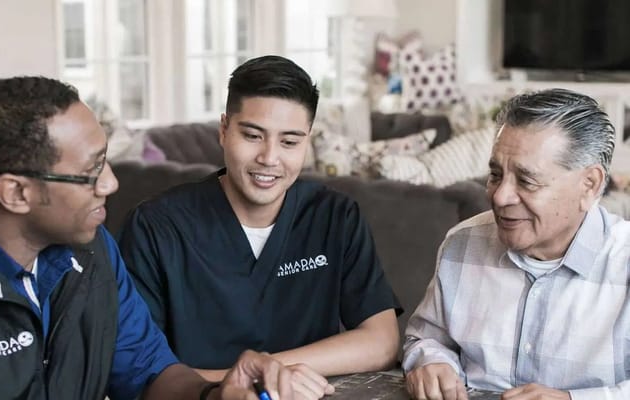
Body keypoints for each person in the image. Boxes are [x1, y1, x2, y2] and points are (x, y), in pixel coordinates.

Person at [0, 76, 314, 400]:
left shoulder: (89, 251)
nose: (112, 183)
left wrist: (215, 393)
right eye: (91, 171)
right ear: (16, 193)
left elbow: (151, 376)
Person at [117, 55, 402, 387]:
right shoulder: (155, 228)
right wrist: (238, 385)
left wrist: (269, 371)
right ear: (224, 130)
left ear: (307, 141)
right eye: (253, 136)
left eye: (289, 142)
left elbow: (383, 341)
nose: (269, 158)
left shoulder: (335, 217)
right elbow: (137, 371)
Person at [403, 88, 630, 400]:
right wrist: (431, 362)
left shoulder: (624, 260)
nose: (499, 196)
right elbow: (426, 339)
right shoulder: (462, 243)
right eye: (496, 175)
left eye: (527, 181)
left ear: (588, 185)